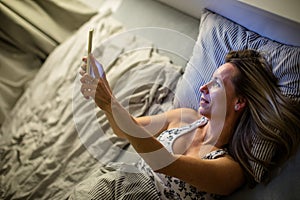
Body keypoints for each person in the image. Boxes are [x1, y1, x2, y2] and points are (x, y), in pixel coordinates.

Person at [72, 49, 300, 199]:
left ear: (239, 102)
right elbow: (123, 129)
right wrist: (105, 99)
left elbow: (163, 163)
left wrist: (111, 103)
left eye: (217, 84)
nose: (203, 87)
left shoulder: (229, 169)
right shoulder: (185, 117)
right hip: (112, 181)